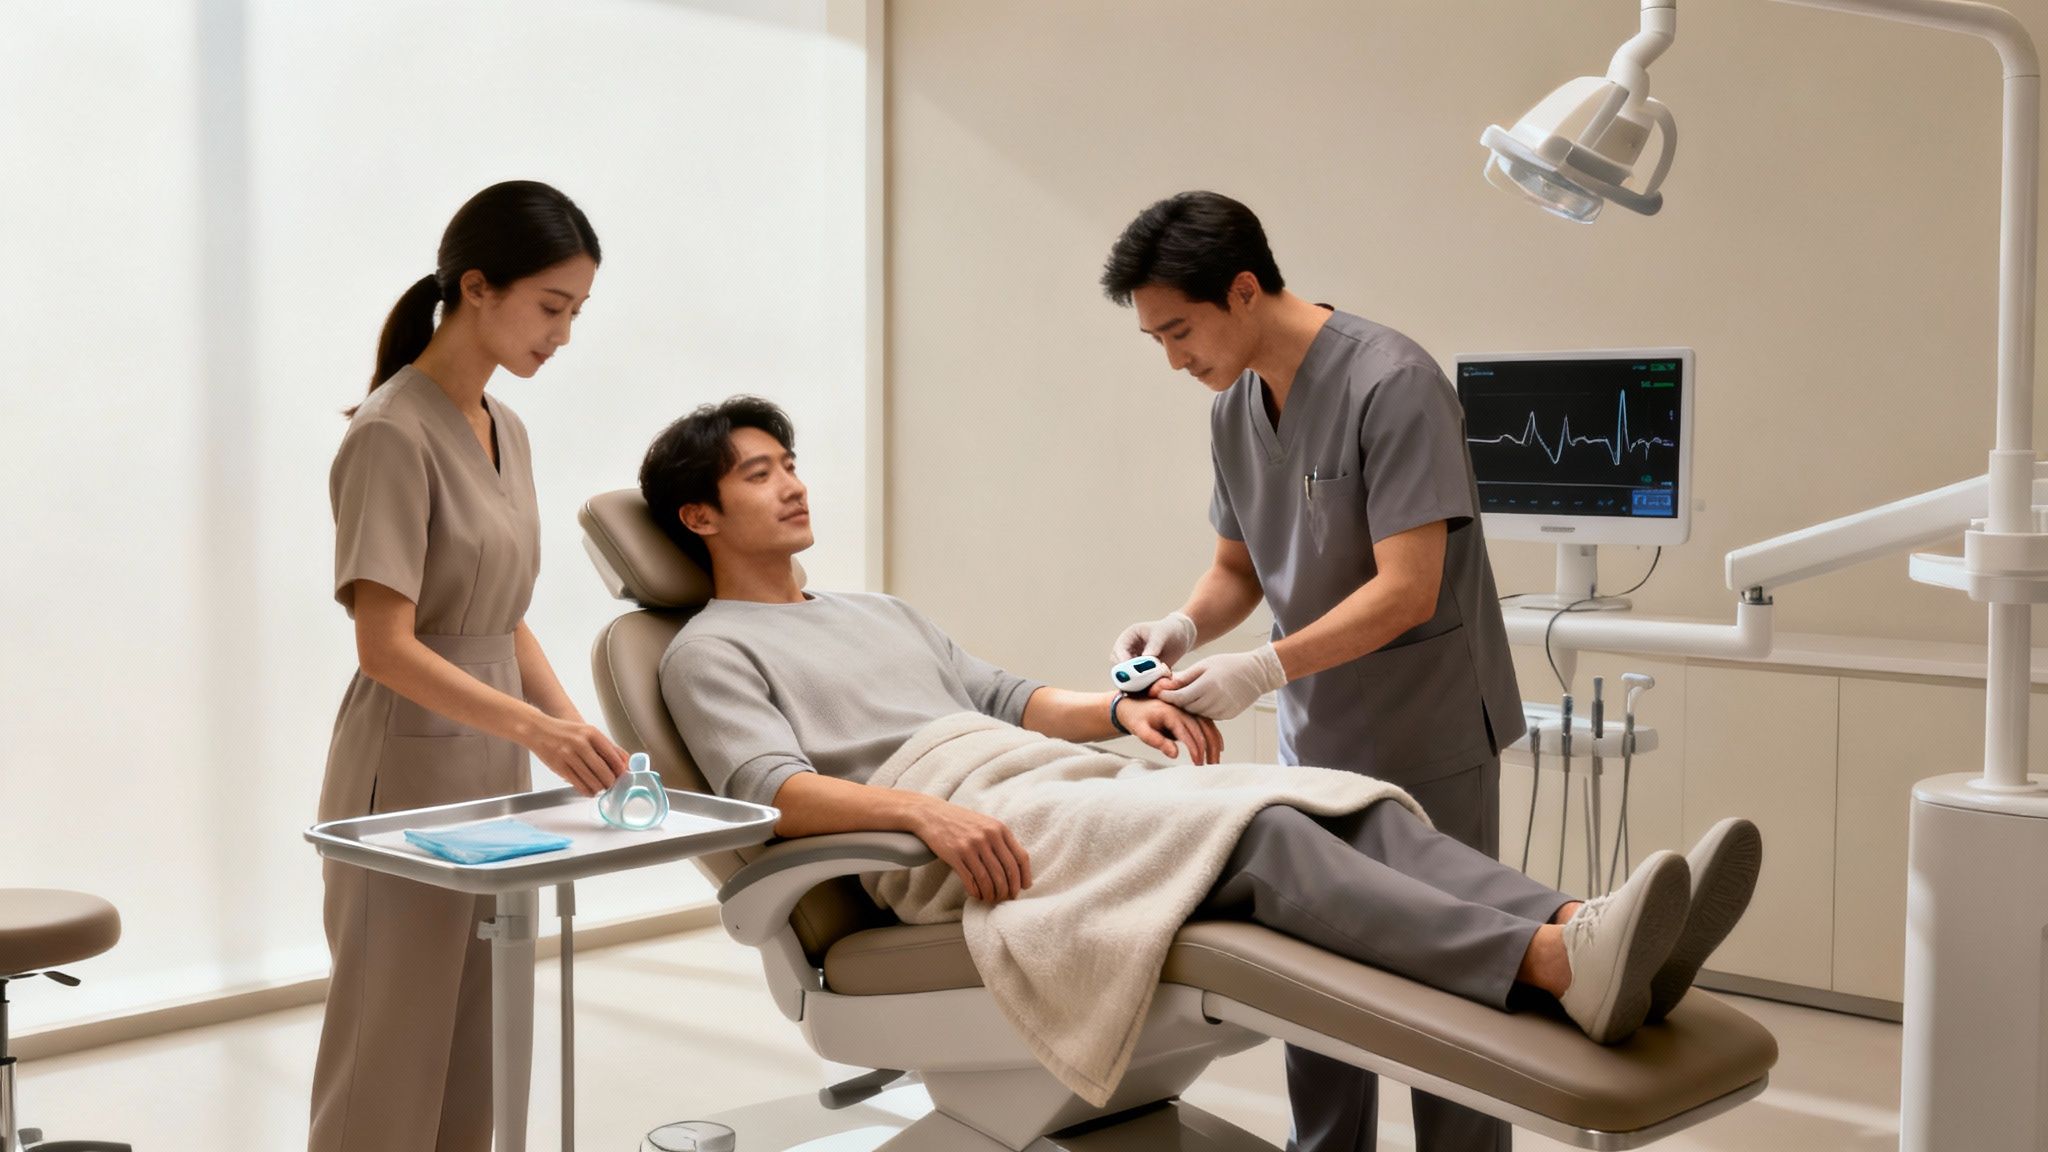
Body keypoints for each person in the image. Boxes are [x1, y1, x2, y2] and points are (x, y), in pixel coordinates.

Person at [639, 397, 1761, 1078]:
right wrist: (927, 812)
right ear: (699, 515)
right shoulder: (704, 651)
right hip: (952, 839)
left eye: (787, 463)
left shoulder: (871, 612)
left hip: (1037, 782)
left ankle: (1585, 926)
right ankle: (1549, 964)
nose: (790, 485)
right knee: (1262, 845)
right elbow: (767, 793)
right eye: (757, 474)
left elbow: (1011, 697)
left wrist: (1124, 711)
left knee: (1326, 798)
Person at [1100, 190, 1530, 1152]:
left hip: (1432, 731)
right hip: (1319, 738)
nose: (1173, 359)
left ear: (1243, 290)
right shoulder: (1233, 408)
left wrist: (1260, 669)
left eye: (1178, 330)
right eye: (1155, 339)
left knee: (1448, 988)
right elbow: (1236, 570)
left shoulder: (1394, 381)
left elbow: (1410, 588)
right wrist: (1179, 628)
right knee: (1323, 981)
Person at [310, 180, 631, 1152]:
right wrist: (535, 730)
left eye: (576, 312)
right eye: (551, 307)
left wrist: (576, 727)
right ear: (478, 288)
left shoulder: (506, 428)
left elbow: (503, 619)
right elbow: (385, 643)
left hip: (491, 766)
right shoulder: (388, 433)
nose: (563, 335)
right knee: (390, 1048)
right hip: (402, 770)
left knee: (476, 1044)